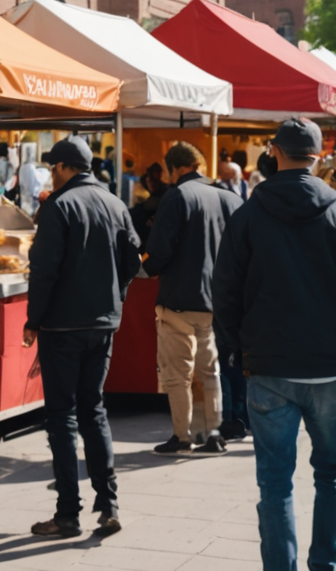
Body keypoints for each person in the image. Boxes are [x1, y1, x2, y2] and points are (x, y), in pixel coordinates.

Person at [213, 117, 336, 571]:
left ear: (275, 152)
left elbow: (224, 293)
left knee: (276, 483)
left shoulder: (249, 214)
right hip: (327, 368)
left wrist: (235, 353)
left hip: (267, 367)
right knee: (331, 471)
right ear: (319, 155)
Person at [26, 137, 142, 539]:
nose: (51, 175)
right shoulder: (114, 203)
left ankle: (67, 513)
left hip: (62, 326)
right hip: (102, 324)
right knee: (93, 410)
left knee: (62, 417)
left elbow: (43, 270)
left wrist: (33, 320)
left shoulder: (59, 206)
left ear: (63, 167)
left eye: (52, 168)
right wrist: (115, 296)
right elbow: (132, 259)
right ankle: (108, 504)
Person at [143, 142, 244, 454]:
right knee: (210, 370)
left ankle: (183, 435)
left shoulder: (178, 195)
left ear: (176, 168)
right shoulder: (231, 198)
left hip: (180, 299)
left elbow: (159, 250)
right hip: (218, 301)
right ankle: (212, 433)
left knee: (178, 374)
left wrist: (145, 268)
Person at [130, 162, 170, 242]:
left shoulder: (166, 192)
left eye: (155, 181)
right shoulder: (143, 188)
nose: (152, 183)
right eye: (150, 181)